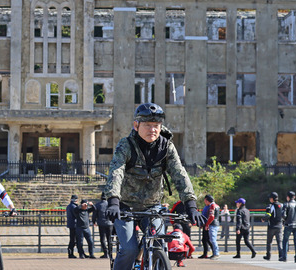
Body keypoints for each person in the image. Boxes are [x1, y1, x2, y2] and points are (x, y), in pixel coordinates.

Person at [103, 103, 206, 270]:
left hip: (153, 206)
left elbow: (180, 175)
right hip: (125, 206)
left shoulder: (166, 147)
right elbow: (116, 172)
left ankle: (153, 261)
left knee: (159, 242)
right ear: (136, 125)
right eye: (147, 125)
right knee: (129, 249)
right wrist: (113, 202)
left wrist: (191, 206)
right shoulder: (126, 145)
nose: (153, 129)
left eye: (157, 126)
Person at [281, 190, 296, 263]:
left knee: (285, 241)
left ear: (288, 197)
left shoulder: (286, 204)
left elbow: (283, 215)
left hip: (289, 224)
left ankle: (284, 257)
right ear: (294, 197)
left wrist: (284, 220)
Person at [263, 192, 283, 261]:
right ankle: (281, 256)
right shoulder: (282, 205)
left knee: (269, 242)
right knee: (279, 242)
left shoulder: (270, 206)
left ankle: (268, 255)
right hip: (280, 226)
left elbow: (268, 214)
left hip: (272, 226)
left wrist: (263, 219)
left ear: (272, 199)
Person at [93, 192, 113, 259]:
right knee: (109, 239)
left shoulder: (98, 205)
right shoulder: (110, 204)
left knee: (102, 239)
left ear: (101, 197)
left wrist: (94, 221)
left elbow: (94, 215)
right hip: (110, 223)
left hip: (101, 223)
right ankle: (110, 253)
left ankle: (105, 253)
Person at [200, 194, 220, 260]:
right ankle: (214, 253)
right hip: (215, 223)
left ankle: (216, 253)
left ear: (206, 200)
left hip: (212, 224)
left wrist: (207, 224)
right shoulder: (217, 206)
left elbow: (211, 216)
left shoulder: (212, 206)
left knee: (212, 240)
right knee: (211, 239)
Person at [65, 194, 78, 258]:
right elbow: (76, 215)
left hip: (71, 224)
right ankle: (71, 253)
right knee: (73, 240)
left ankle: (70, 252)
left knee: (72, 239)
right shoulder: (74, 207)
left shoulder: (69, 206)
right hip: (74, 224)